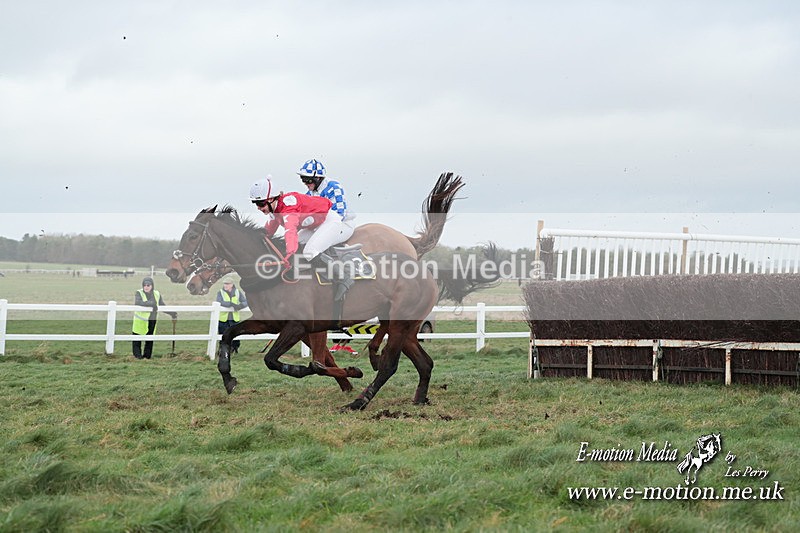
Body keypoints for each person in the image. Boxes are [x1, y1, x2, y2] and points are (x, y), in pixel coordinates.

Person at [249, 176, 355, 305]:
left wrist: (289, 254)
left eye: (260, 204)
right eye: (255, 204)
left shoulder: (288, 205)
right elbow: (268, 231)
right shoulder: (275, 209)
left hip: (330, 220)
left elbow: (290, 230)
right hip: (316, 224)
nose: (258, 208)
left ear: (272, 199)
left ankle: (343, 277)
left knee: (310, 251)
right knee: (299, 245)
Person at [132, 276, 177, 359]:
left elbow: (162, 306)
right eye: (144, 285)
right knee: (136, 340)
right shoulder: (139, 293)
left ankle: (147, 357)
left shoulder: (157, 294)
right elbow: (138, 302)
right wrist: (151, 303)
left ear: (152, 286)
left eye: (148, 285)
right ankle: (137, 357)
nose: (146, 287)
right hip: (140, 322)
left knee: (149, 340)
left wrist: (171, 313)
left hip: (152, 320)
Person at [216, 276, 247, 354]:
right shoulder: (220, 292)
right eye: (224, 284)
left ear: (232, 284)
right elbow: (220, 302)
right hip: (223, 319)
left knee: (235, 334)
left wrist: (240, 306)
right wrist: (231, 304)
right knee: (223, 335)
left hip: (234, 319)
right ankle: (222, 350)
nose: (225, 285)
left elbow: (245, 302)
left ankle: (234, 349)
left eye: (227, 284)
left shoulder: (237, 292)